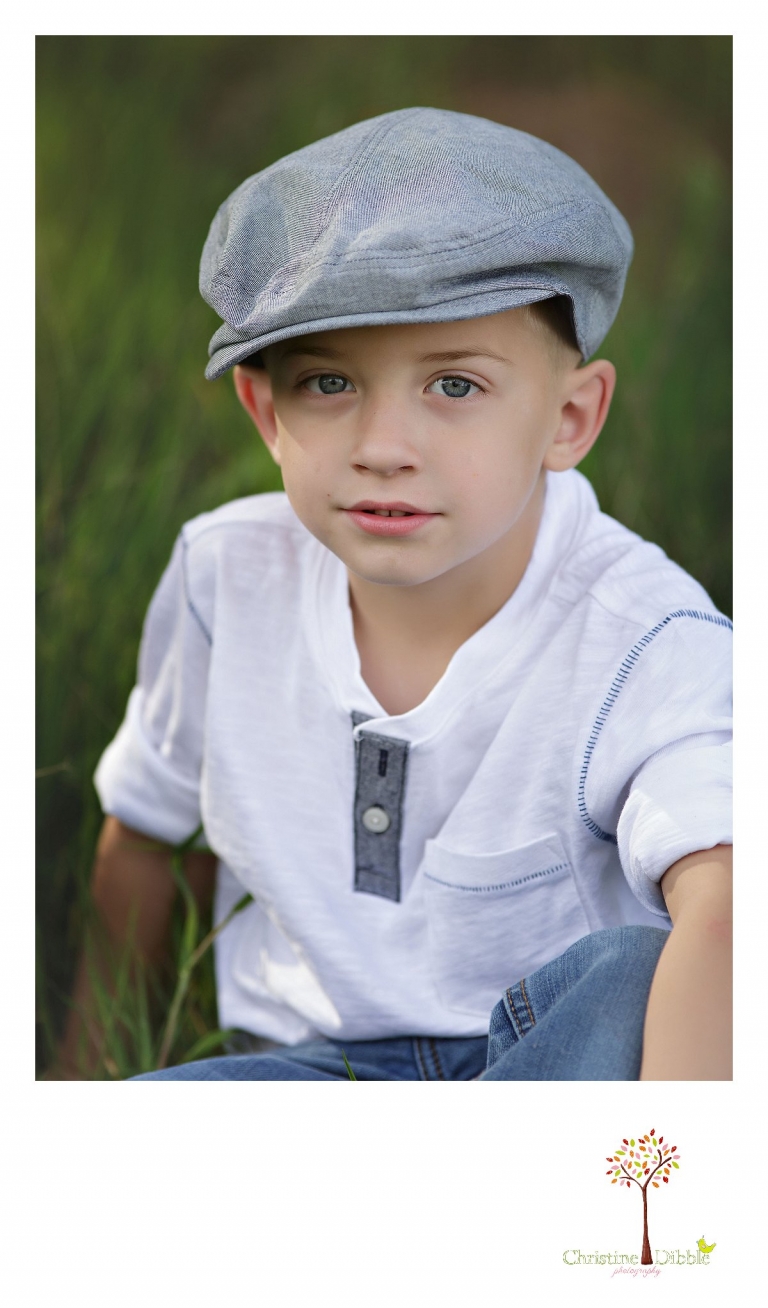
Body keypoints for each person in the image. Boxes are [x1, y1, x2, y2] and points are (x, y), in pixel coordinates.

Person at [57, 107, 732, 1081]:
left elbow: (727, 896)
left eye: (453, 387)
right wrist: (82, 1080)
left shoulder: (641, 635)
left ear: (570, 417)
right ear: (264, 411)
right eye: (329, 385)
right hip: (306, 1075)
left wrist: (679, 1202)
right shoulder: (224, 579)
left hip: (541, 1066)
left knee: (637, 974)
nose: (382, 446)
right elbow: (144, 838)